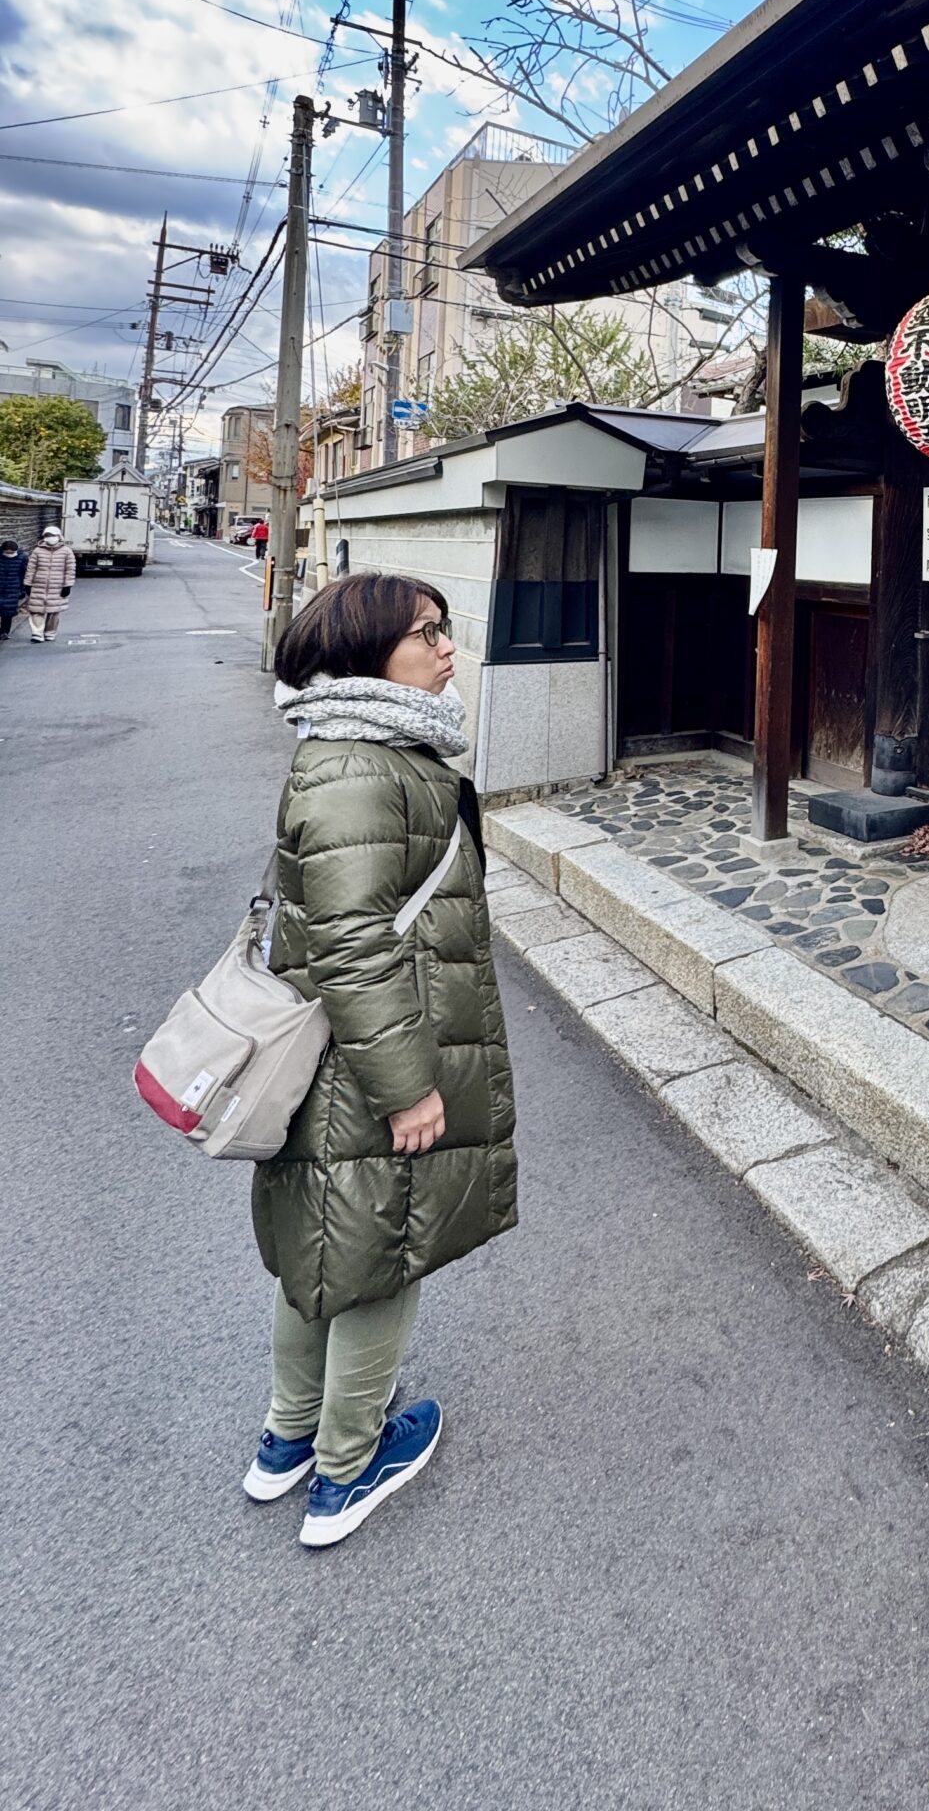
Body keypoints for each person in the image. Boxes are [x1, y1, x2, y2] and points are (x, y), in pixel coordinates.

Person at [247, 572, 516, 1548]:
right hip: (369, 1064)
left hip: (340, 1052)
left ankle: (287, 1438)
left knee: (321, 1250)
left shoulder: (362, 748)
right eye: (427, 634)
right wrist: (409, 1091)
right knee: (379, 1256)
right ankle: (349, 1465)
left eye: (447, 630)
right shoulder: (365, 765)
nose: (449, 649)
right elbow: (357, 944)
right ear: (368, 654)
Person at [24, 525, 74, 641]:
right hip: (38, 585)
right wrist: (28, 583)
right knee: (36, 610)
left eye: (52, 536)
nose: (50, 538)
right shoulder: (37, 551)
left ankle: (50, 633)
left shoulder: (67, 552)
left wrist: (67, 585)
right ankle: (37, 633)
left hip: (57, 586)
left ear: (59, 537)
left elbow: (70, 570)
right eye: (47, 536)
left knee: (53, 612)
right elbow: (31, 568)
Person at [0, 538, 25, 639]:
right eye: (7, 552)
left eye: (11, 552)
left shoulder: (22, 557)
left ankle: (4, 632)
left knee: (8, 612)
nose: (9, 554)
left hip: (13, 587)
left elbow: (23, 574)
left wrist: (23, 589)